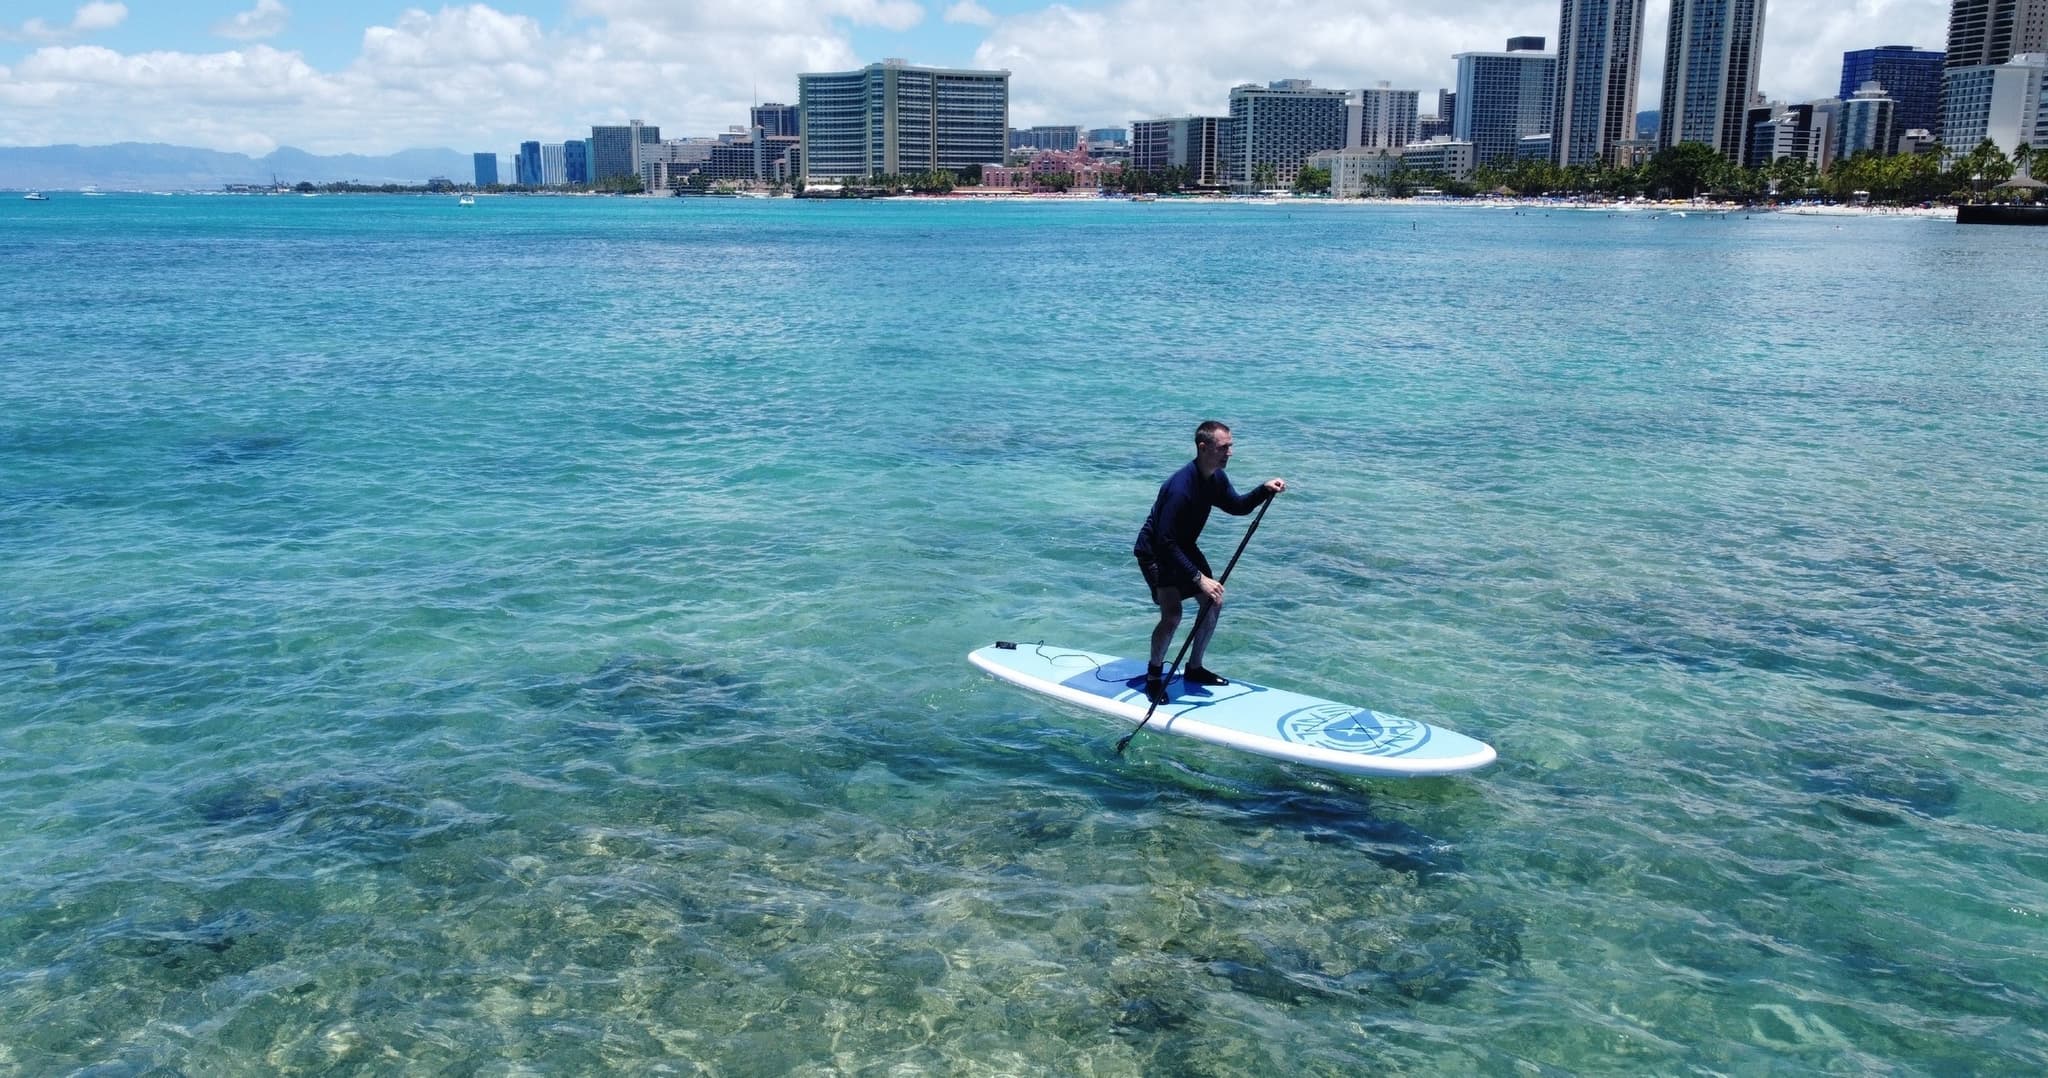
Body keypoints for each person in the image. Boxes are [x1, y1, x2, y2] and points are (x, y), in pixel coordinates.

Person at [1133, 421, 1285, 704]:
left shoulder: (1215, 478)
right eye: (1224, 447)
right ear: (1204, 448)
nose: (1230, 452)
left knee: (1213, 601)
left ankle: (1194, 668)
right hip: (1156, 552)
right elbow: (1165, 541)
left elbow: (1237, 506)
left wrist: (1263, 490)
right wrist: (1197, 577)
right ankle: (1154, 677)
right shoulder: (1180, 487)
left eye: (1230, 446)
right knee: (1173, 615)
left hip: (1182, 547)